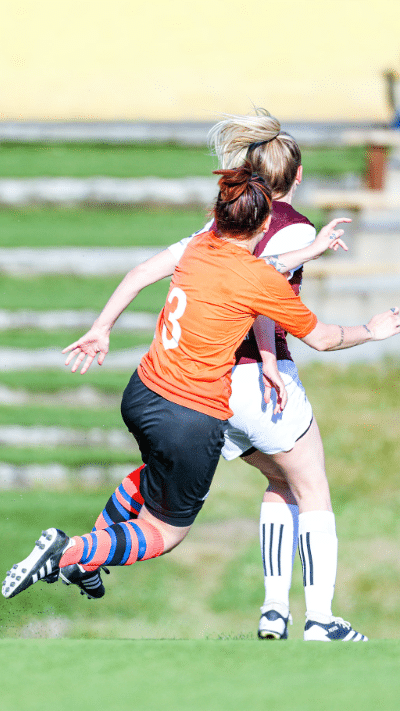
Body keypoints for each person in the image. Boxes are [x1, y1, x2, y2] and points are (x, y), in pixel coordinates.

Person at [3, 163, 399, 645]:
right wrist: (372, 331)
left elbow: (152, 272)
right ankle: (68, 553)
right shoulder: (260, 279)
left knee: (154, 477)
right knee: (165, 533)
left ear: (219, 214)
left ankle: (88, 558)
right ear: (261, 225)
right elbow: (322, 337)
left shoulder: (198, 246)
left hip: (143, 393)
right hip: (190, 417)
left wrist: (101, 328)